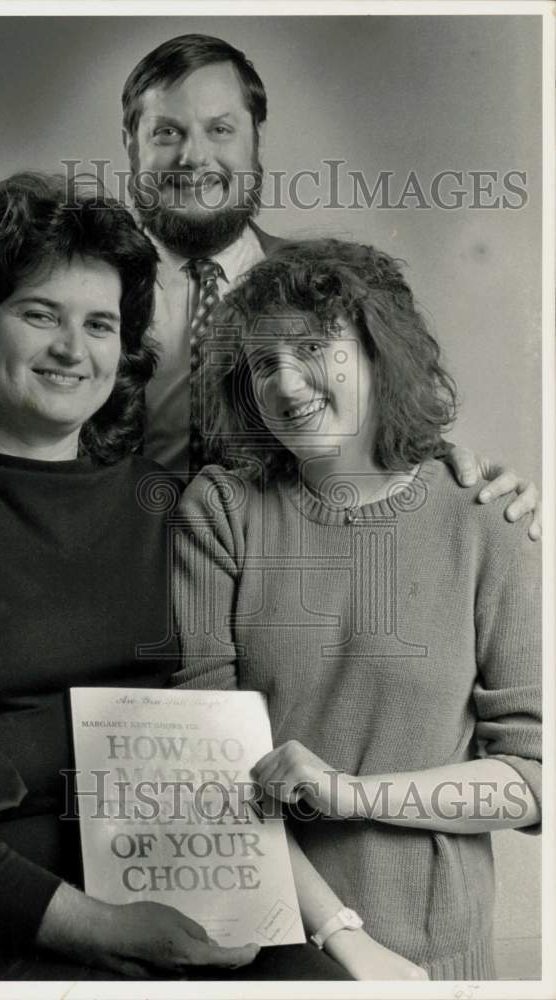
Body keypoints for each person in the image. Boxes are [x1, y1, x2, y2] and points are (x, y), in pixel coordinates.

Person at [0, 171, 423, 983]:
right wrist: (106, 930)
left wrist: (460, 481)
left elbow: (344, 500)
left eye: (99, 324)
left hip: (159, 884)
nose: (72, 348)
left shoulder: (170, 504)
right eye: (38, 314)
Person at [0, 34, 542, 527]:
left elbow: (395, 428)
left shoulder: (335, 291)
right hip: (96, 614)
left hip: (274, 614)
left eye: (221, 129)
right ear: (130, 143)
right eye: (168, 133)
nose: (196, 157)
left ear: (256, 141)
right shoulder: (70, 291)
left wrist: (470, 482)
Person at [171, 238, 542, 979]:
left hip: (436, 959)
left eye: (314, 347)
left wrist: (349, 794)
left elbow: (532, 779)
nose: (287, 382)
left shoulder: (485, 519)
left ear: (380, 353)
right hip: (263, 946)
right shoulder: (221, 510)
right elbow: (205, 766)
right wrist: (341, 935)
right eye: (263, 363)